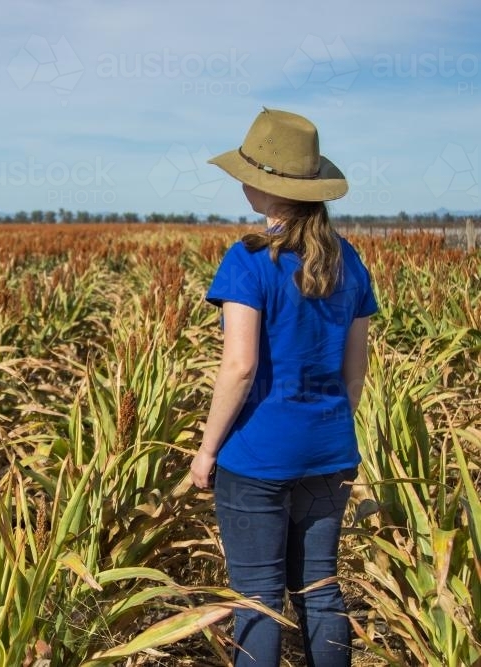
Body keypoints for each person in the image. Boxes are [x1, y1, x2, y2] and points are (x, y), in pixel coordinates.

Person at [189, 107, 378, 666]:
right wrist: (328, 428)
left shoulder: (247, 261)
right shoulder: (349, 261)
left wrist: (205, 451)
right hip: (330, 451)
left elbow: (239, 368)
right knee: (320, 594)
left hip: (258, 457)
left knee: (258, 600)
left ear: (261, 186)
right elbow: (355, 370)